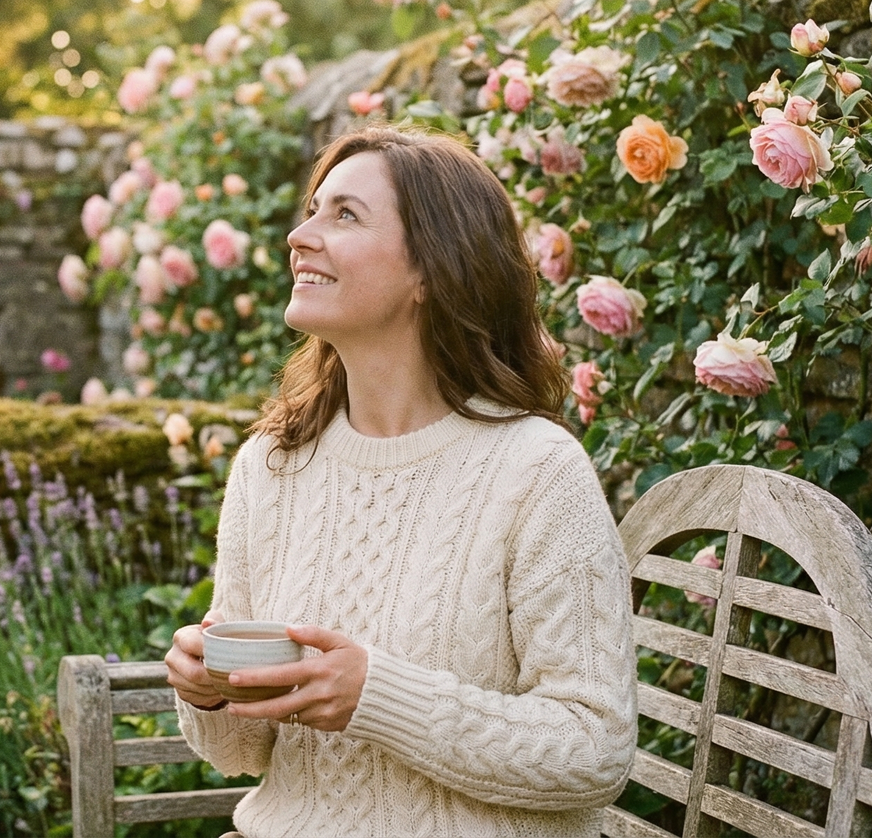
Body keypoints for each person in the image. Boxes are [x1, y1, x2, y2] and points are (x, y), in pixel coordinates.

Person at [164, 126, 637, 837]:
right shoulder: (272, 466)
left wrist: (377, 696)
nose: (301, 234)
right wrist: (206, 692)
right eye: (313, 209)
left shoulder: (535, 471)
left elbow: (594, 748)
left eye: (344, 215)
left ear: (431, 271)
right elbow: (240, 753)